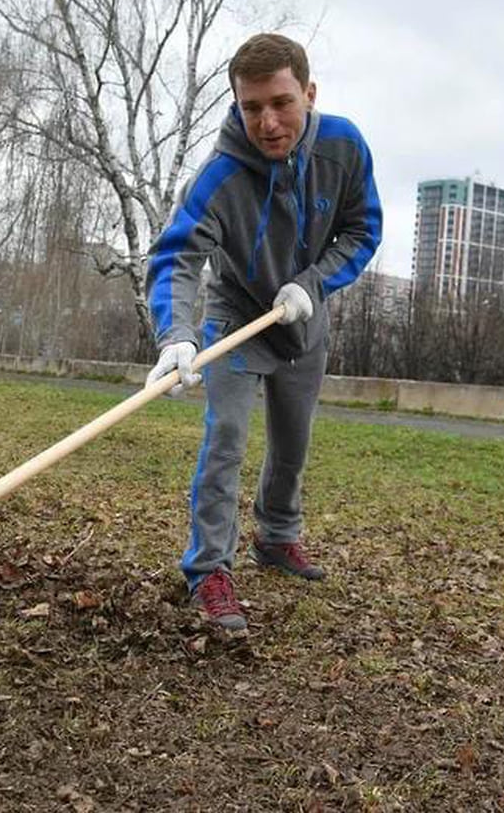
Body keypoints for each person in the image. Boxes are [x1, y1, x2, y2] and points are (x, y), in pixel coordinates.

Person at [145, 33, 382, 632]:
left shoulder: (344, 146)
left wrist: (314, 282)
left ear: (308, 92)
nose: (268, 122)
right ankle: (209, 570)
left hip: (304, 313)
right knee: (225, 437)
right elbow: (175, 257)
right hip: (236, 315)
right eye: (252, 108)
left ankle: (276, 538)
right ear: (236, 104)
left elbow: (362, 229)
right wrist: (177, 333)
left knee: (292, 442)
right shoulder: (221, 175)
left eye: (281, 102)